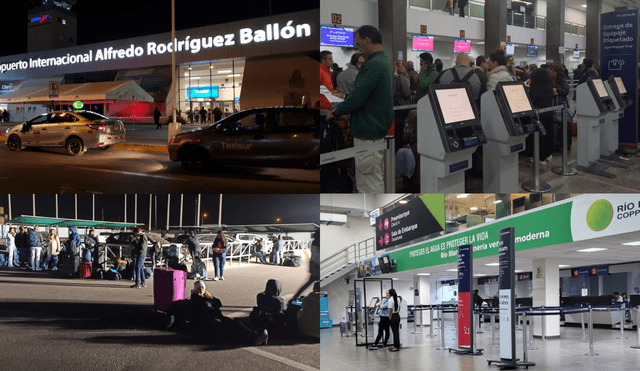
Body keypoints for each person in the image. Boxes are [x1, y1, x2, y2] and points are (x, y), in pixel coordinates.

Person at [326, 25, 394, 194]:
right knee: (375, 175)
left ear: (367, 40)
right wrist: (346, 97)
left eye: (359, 43)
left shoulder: (372, 65)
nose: (358, 48)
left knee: (368, 180)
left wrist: (334, 112)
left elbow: (358, 99)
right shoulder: (385, 63)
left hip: (367, 129)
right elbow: (368, 96)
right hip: (377, 128)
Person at [166, 280, 269, 346]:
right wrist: (207, 298)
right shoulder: (196, 299)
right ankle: (253, 339)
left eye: (203, 288)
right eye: (199, 288)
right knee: (231, 330)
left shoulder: (206, 299)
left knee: (235, 323)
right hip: (207, 324)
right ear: (196, 290)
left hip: (216, 319)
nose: (201, 290)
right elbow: (207, 306)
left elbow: (218, 303)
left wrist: (210, 296)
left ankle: (255, 336)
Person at [526, 68, 555, 165]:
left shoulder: (535, 86)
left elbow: (532, 100)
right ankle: (547, 155)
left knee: (538, 135)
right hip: (549, 113)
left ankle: (540, 158)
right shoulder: (549, 86)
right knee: (548, 134)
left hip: (538, 114)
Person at [292, 231, 320, 299]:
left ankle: (295, 296)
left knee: (309, 282)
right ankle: (322, 305)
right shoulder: (319, 242)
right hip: (317, 265)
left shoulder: (315, 241)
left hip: (313, 263)